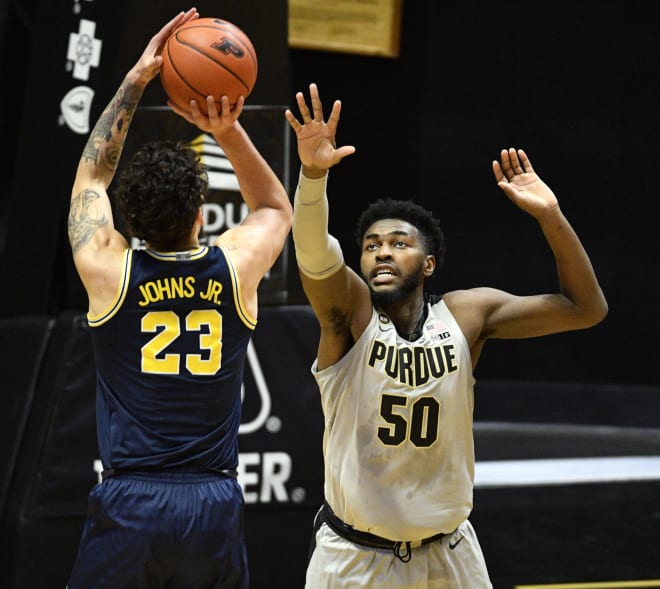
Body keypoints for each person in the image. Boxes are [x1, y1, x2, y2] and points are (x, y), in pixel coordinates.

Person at [284, 83, 608, 588]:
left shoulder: (466, 315)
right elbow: (313, 254)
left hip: (450, 551)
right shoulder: (349, 316)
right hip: (356, 558)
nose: (382, 252)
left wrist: (550, 216)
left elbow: (585, 309)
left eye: (398, 243)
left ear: (429, 263)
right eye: (371, 245)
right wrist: (313, 176)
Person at [65, 8, 292, 589]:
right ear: (201, 212)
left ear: (130, 222)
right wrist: (224, 126)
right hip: (210, 498)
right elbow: (272, 209)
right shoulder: (233, 269)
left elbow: (91, 179)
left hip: (129, 499)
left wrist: (137, 80)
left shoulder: (108, 270)